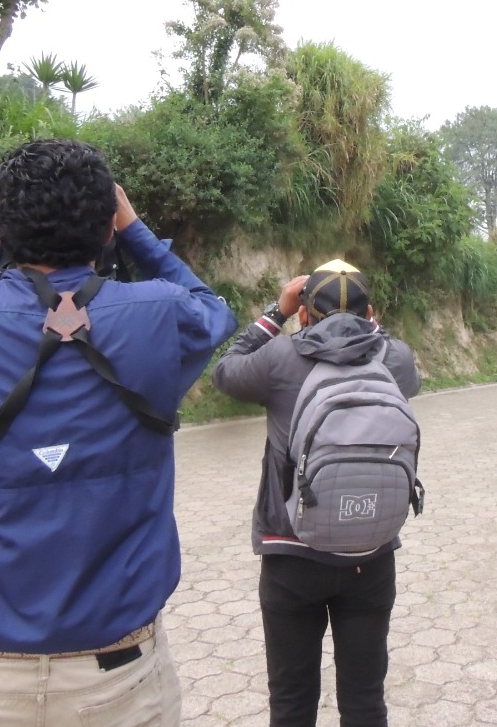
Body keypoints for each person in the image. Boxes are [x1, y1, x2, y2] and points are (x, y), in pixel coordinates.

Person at [0, 139, 237, 727]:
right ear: (109, 226)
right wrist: (135, 232)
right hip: (120, 675)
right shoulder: (159, 311)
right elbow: (214, 310)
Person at [211, 259, 421, 727]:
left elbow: (225, 372)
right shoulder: (395, 360)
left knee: (291, 702)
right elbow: (393, 353)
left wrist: (276, 312)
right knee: (366, 701)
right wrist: (368, 321)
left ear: (304, 313)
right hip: (371, 553)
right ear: (372, 314)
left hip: (291, 555)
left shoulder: (281, 357)